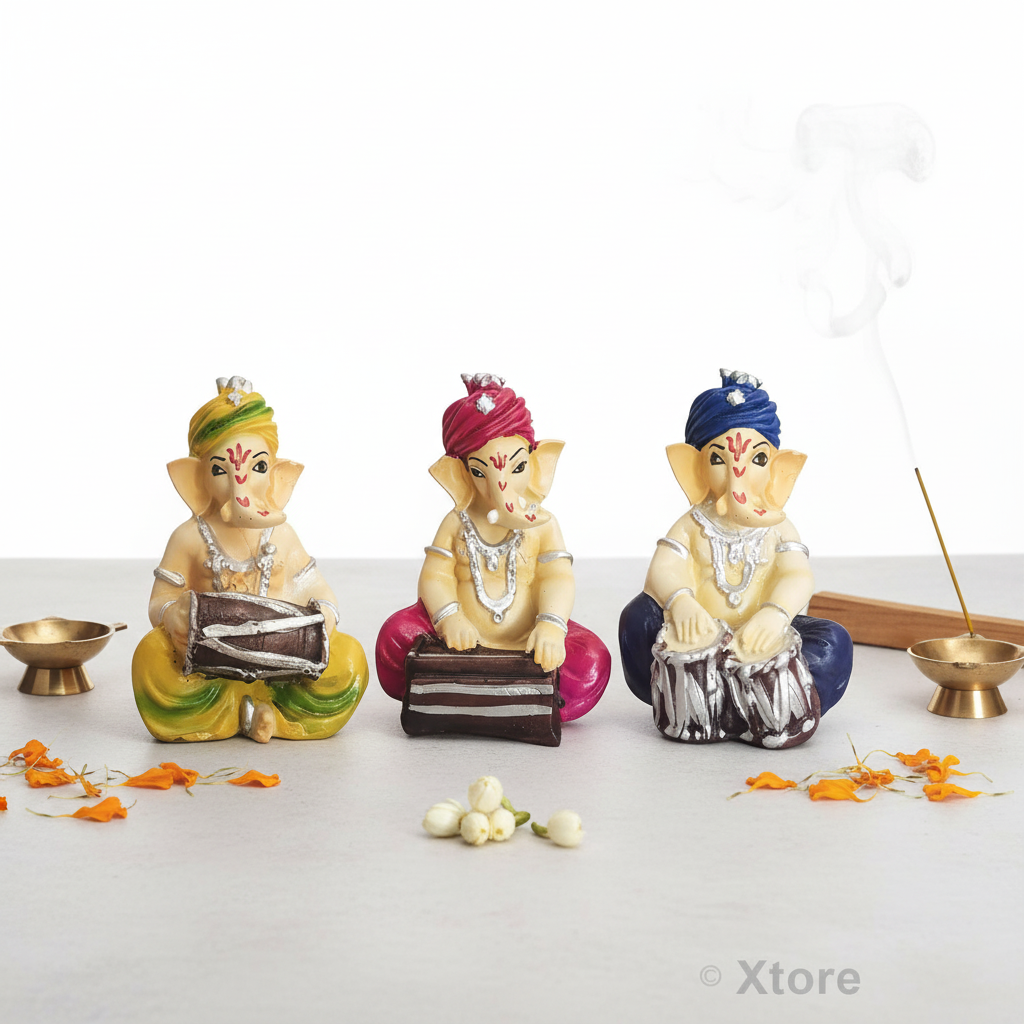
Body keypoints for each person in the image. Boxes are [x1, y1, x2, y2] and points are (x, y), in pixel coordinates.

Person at [132, 377, 368, 742]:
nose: (239, 486)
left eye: (258, 468)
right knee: (150, 657)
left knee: (350, 659)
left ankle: (266, 709)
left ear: (277, 475)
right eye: (219, 470)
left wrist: (325, 617)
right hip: (210, 664)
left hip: (282, 661)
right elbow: (160, 599)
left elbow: (315, 587)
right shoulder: (188, 537)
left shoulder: (282, 535)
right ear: (195, 478)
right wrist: (171, 615)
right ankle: (246, 712)